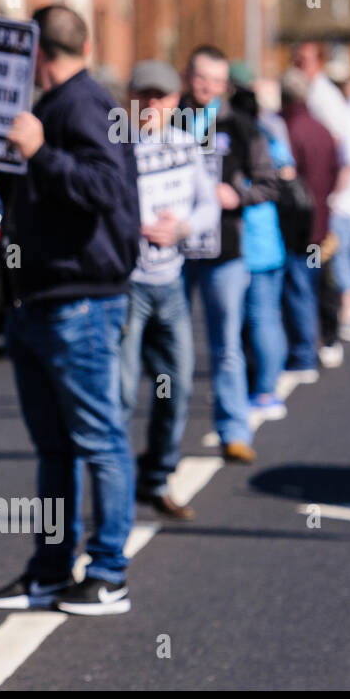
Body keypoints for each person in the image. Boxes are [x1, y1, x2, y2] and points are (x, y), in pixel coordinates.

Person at [0, 5, 140, 615]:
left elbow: (106, 189)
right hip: (40, 300)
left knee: (98, 440)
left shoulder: (83, 105)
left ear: (37, 52)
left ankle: (108, 573)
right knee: (55, 447)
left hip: (82, 303)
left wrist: (41, 152)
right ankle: (50, 568)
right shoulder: (58, 104)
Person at [119, 60, 219, 521]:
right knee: (120, 396)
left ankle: (156, 479)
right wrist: (131, 229)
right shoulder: (115, 146)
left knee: (174, 389)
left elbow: (208, 206)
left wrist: (181, 227)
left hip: (170, 284)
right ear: (130, 99)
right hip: (127, 288)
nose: (152, 107)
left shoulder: (185, 144)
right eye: (144, 97)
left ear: (175, 102)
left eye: (161, 98)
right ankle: (114, 492)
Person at [176, 45, 278, 463]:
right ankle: (169, 442)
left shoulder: (242, 128)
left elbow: (270, 183)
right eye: (202, 78)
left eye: (217, 81)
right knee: (173, 354)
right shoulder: (164, 118)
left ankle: (235, 432)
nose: (208, 88)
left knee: (228, 347)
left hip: (226, 253)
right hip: (173, 253)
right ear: (187, 76)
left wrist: (236, 194)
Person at [293, 42, 350, 352]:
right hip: (345, 196)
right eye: (298, 60)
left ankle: (342, 318)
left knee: (334, 257)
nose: (300, 65)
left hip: (342, 198)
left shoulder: (324, 96)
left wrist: (330, 193)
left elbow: (342, 149)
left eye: (305, 60)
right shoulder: (323, 94)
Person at [231, 80, 291, 423]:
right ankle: (266, 384)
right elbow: (286, 171)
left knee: (257, 319)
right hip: (271, 239)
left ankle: (265, 390)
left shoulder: (244, 139)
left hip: (250, 242)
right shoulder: (270, 135)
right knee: (267, 315)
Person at [280, 68, 342, 384]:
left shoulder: (290, 130)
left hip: (299, 229)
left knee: (300, 290)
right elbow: (335, 171)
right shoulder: (320, 128)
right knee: (318, 284)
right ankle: (326, 341)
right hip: (320, 226)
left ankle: (304, 353)